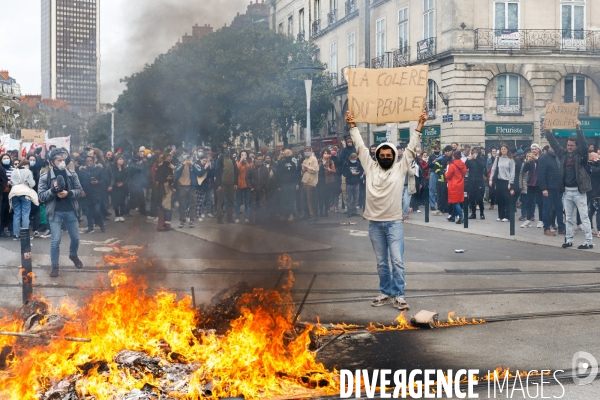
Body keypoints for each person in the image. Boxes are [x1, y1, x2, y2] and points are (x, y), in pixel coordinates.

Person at [346, 109, 427, 311]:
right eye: (381, 155)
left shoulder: (400, 169)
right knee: (382, 263)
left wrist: (420, 124)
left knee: (397, 262)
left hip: (394, 223)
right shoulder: (370, 166)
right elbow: (359, 145)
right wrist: (352, 125)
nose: (384, 157)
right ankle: (385, 292)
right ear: (376, 156)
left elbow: (410, 148)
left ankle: (399, 295)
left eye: (388, 155)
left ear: (393, 156)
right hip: (374, 224)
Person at [544, 123, 594, 249]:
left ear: (576, 147)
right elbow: (554, 144)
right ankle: (569, 240)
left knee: (584, 217)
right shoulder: (563, 155)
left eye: (572, 145)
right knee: (569, 218)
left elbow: (583, 144)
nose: (569, 147)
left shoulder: (581, 156)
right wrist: (547, 131)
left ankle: (588, 242)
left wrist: (578, 129)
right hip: (566, 192)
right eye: (568, 145)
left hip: (579, 192)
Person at [38, 148, 84, 277]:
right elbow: (41, 195)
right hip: (55, 212)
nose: (62, 162)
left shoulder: (72, 174)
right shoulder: (45, 177)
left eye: (64, 160)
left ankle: (73, 255)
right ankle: (55, 265)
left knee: (76, 238)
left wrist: (68, 193)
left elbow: (80, 191)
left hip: (71, 211)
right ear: (52, 162)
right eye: (59, 160)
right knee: (56, 240)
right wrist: (53, 190)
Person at [537, 139, 565, 237]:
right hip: (548, 188)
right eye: (553, 146)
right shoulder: (544, 158)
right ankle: (547, 228)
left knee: (559, 208)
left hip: (558, 188)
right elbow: (540, 175)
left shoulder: (559, 157)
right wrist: (543, 188)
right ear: (549, 147)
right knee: (547, 209)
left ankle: (561, 228)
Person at [9, 159, 38, 240]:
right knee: (25, 214)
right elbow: (32, 184)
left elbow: (11, 182)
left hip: (14, 193)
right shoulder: (28, 171)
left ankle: (16, 234)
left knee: (16, 214)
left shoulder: (14, 171)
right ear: (26, 164)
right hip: (25, 193)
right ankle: (25, 234)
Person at [79, 155, 106, 233]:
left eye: (90, 160)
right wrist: (82, 191)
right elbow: (79, 182)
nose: (89, 162)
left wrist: (97, 182)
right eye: (87, 161)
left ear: (93, 161)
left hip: (96, 193)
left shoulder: (98, 169)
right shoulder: (82, 170)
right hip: (87, 193)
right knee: (88, 212)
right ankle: (90, 227)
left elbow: (103, 180)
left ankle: (101, 224)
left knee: (97, 210)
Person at [174, 152, 202, 228]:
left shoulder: (193, 164)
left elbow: (199, 172)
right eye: (183, 154)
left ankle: (191, 221)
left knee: (192, 204)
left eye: (187, 154)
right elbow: (176, 171)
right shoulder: (179, 164)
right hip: (182, 186)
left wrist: (192, 163)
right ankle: (182, 220)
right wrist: (183, 163)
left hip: (191, 186)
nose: (185, 156)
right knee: (182, 205)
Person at [489, 145, 515, 222]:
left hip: (507, 181)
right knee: (500, 199)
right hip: (499, 181)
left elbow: (512, 172)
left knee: (507, 199)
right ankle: (500, 215)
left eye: (505, 149)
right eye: (502, 149)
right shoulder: (497, 159)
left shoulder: (511, 160)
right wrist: (491, 179)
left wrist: (510, 183)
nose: (503, 150)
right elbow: (493, 169)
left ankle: (507, 216)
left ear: (507, 150)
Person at [215, 149, 239, 224]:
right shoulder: (220, 159)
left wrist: (235, 183)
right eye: (225, 149)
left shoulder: (232, 159)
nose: (227, 151)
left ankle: (229, 218)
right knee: (220, 202)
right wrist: (218, 184)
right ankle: (219, 219)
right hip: (222, 183)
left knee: (230, 202)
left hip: (231, 183)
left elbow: (235, 171)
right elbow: (217, 172)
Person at [276, 149, 300, 222]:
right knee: (283, 200)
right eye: (290, 153)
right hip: (283, 184)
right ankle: (283, 214)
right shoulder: (280, 163)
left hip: (292, 184)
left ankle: (290, 214)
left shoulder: (293, 163)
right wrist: (278, 185)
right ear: (286, 154)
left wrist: (296, 183)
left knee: (291, 200)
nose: (291, 154)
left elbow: (295, 174)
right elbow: (278, 175)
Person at [246, 154, 269, 224]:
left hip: (262, 189)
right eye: (258, 159)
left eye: (261, 159)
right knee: (253, 204)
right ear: (255, 160)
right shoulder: (250, 168)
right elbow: (247, 178)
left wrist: (265, 188)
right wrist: (250, 187)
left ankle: (261, 219)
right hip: (254, 189)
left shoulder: (264, 168)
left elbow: (267, 179)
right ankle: (253, 220)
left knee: (262, 204)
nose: (260, 161)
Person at [445, 151, 467, 224]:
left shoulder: (452, 165)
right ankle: (452, 217)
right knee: (456, 201)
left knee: (455, 201)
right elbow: (464, 173)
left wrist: (445, 173)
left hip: (453, 184)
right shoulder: (463, 164)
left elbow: (449, 176)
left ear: (454, 156)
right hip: (460, 183)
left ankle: (461, 217)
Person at [465, 147, 486, 220]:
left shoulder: (481, 158)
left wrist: (476, 158)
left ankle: (482, 213)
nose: (474, 154)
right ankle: (473, 213)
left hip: (479, 180)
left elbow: (482, 166)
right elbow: (466, 166)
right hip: (471, 180)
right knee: (472, 198)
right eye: (473, 152)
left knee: (480, 198)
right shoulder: (471, 159)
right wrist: (468, 159)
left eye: (476, 152)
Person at [156, 153, 176, 231]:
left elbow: (173, 178)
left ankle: (167, 224)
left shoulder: (170, 168)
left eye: (170, 159)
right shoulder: (160, 168)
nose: (169, 160)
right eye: (167, 159)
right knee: (164, 206)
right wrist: (166, 179)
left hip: (169, 188)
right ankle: (162, 225)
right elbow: (158, 179)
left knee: (168, 207)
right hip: (163, 189)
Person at [301, 147, 319, 222]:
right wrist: (303, 169)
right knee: (304, 200)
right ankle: (306, 214)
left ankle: (313, 215)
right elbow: (302, 172)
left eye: (308, 151)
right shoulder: (305, 160)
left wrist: (307, 167)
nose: (306, 152)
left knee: (311, 200)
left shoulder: (313, 159)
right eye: (305, 151)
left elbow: (315, 169)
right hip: (305, 182)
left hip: (311, 183)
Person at [342, 153, 363, 218]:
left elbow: (361, 170)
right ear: (350, 158)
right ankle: (349, 211)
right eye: (353, 159)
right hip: (349, 182)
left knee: (356, 198)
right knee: (349, 198)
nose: (354, 160)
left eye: (355, 159)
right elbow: (344, 173)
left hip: (356, 182)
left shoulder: (358, 163)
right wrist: (351, 173)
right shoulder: (346, 164)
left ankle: (354, 211)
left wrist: (359, 173)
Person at [109, 155, 130, 222]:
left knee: (122, 201)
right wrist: (115, 184)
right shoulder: (113, 169)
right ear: (117, 160)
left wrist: (123, 183)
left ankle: (121, 215)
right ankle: (117, 215)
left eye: (122, 159)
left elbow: (128, 178)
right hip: (115, 188)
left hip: (123, 188)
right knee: (115, 202)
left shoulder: (125, 169)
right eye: (120, 159)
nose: (122, 160)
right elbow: (111, 178)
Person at [317, 149, 336, 218]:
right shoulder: (319, 161)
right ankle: (321, 211)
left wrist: (329, 169)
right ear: (322, 154)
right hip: (320, 182)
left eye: (328, 153)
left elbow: (334, 171)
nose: (326, 155)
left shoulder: (331, 162)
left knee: (327, 197)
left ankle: (326, 211)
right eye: (325, 153)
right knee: (320, 197)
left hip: (328, 182)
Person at [234, 151, 251, 223]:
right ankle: (237, 217)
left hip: (247, 185)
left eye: (245, 155)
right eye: (242, 155)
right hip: (239, 185)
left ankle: (246, 217)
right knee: (237, 202)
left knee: (247, 202)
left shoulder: (249, 163)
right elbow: (236, 171)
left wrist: (246, 162)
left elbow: (249, 170)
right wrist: (240, 162)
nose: (243, 156)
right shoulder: (237, 163)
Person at [0, 154, 14, 237]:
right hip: (3, 193)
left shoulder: (13, 169)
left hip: (11, 192)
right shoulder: (1, 168)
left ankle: (11, 229)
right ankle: (2, 230)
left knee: (11, 211)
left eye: (7, 158)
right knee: (3, 211)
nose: (6, 159)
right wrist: (5, 183)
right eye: (4, 158)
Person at [589, 152, 600, 237]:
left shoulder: (595, 165)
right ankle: (598, 230)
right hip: (595, 192)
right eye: (597, 157)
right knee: (597, 211)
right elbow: (597, 172)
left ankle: (590, 228)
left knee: (592, 210)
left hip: (594, 191)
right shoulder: (590, 165)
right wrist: (598, 162)